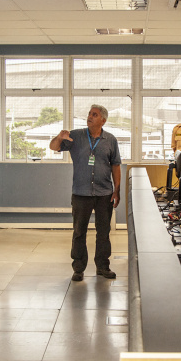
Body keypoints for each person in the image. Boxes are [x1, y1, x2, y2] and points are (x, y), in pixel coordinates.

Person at [49, 105, 122, 281]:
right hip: (81, 193)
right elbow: (54, 147)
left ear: (103, 120)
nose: (90, 117)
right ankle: (78, 268)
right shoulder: (75, 136)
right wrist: (59, 137)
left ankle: (103, 267)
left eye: (94, 115)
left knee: (103, 232)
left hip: (104, 193)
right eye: (89, 114)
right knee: (79, 232)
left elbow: (116, 165)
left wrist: (116, 190)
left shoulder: (110, 140)